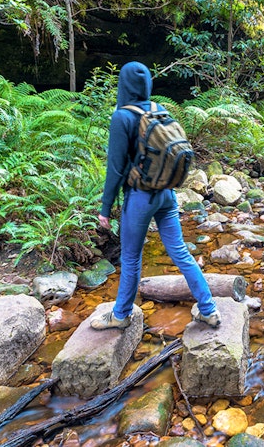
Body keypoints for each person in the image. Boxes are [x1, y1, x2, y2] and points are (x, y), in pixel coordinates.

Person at [93, 61, 220, 330]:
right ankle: (208, 309)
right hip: (167, 193)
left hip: (140, 197)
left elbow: (115, 168)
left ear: (123, 84)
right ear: (147, 84)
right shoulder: (158, 110)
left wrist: (105, 209)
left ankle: (120, 315)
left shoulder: (122, 117)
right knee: (181, 253)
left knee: (130, 258)